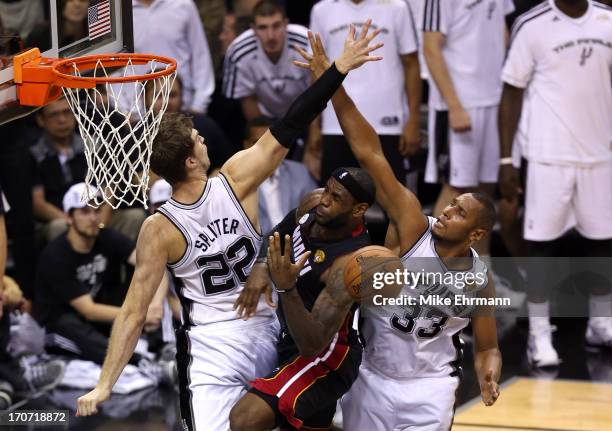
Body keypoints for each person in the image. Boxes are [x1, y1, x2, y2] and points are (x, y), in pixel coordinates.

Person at [75, 26, 383, 431]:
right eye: (196, 138)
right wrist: (338, 68)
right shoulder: (236, 177)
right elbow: (293, 120)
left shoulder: (158, 227)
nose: (203, 137)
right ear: (190, 161)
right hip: (270, 332)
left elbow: (133, 312)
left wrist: (104, 384)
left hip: (215, 348)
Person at [295, 31, 502, 430]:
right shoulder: (411, 224)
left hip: (430, 388)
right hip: (371, 375)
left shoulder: (480, 280)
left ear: (475, 236)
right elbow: (369, 151)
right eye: (451, 203)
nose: (446, 211)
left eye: (459, 214)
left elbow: (488, 344)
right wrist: (331, 82)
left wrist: (488, 370)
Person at [229, 22, 400, 431]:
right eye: (326, 191)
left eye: (336, 199)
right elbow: (278, 236)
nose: (324, 201)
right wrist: (259, 270)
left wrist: (285, 285)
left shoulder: (351, 265)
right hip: (289, 333)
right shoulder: (311, 203)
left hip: (327, 355)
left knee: (244, 419)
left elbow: (314, 342)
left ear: (359, 211)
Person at [499, 0, 612, 367]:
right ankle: (539, 336)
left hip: (600, 152)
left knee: (602, 245)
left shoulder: (607, 20)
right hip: (547, 155)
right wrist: (506, 160)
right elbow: (511, 92)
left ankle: (600, 323)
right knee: (543, 248)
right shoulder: (531, 24)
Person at [32, 183, 168, 372]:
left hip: (98, 318)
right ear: (69, 217)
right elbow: (89, 310)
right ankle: (142, 363)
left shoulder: (107, 237)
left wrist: (155, 304)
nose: (93, 218)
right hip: (60, 326)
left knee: (142, 281)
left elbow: (153, 265)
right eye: (85, 212)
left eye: (97, 211)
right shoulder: (55, 255)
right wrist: (141, 315)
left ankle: (162, 347)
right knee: (72, 328)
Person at [422, 0, 515, 257]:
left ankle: (479, 278)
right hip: (460, 103)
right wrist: (454, 106)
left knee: (482, 198)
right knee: (456, 190)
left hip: (493, 99)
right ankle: (425, 278)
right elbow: (430, 47)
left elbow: (501, 31)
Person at [308, 0, 421, 183]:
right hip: (335, 124)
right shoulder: (322, 10)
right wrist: (314, 125)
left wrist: (414, 119)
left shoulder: (396, 7)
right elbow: (317, 69)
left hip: (387, 123)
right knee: (334, 203)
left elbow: (411, 64)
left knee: (395, 203)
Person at [223, 1, 311, 122]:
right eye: (263, 28)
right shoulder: (238, 52)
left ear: (286, 24)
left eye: (276, 26)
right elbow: (248, 100)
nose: (271, 36)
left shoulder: (306, 43)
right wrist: (266, 138)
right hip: (265, 117)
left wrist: (313, 133)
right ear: (253, 29)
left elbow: (318, 91)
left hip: (308, 114)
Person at [131, 0, 215, 113]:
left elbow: (200, 56)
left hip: (185, 108)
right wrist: (125, 109)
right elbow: (115, 62)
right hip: (136, 114)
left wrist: (199, 104)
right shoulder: (119, 10)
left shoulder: (184, 5)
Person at [244, 115, 317, 233]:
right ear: (246, 145)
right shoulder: (237, 178)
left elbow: (315, 211)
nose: (265, 149)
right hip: (258, 247)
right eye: (257, 143)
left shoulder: (300, 172)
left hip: (297, 242)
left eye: (269, 142)